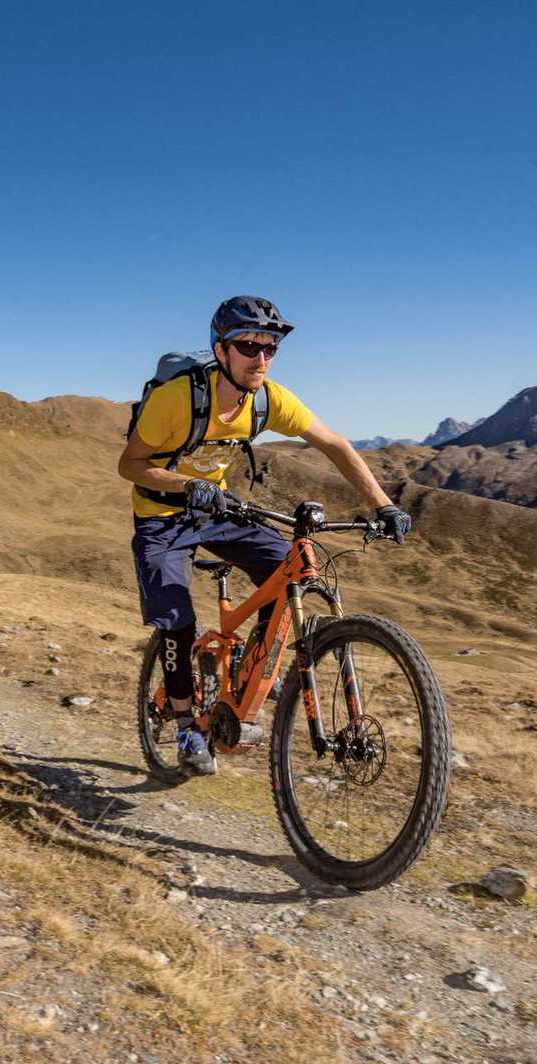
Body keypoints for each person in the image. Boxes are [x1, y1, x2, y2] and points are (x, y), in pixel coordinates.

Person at [117, 296, 411, 776]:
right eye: (249, 346)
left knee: (290, 568)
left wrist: (383, 504)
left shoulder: (269, 399)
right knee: (176, 618)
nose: (261, 358)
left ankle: (252, 670)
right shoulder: (178, 400)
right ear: (221, 350)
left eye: (270, 348)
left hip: (218, 509)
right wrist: (187, 485)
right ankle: (188, 725)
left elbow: (335, 444)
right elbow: (129, 464)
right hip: (161, 517)